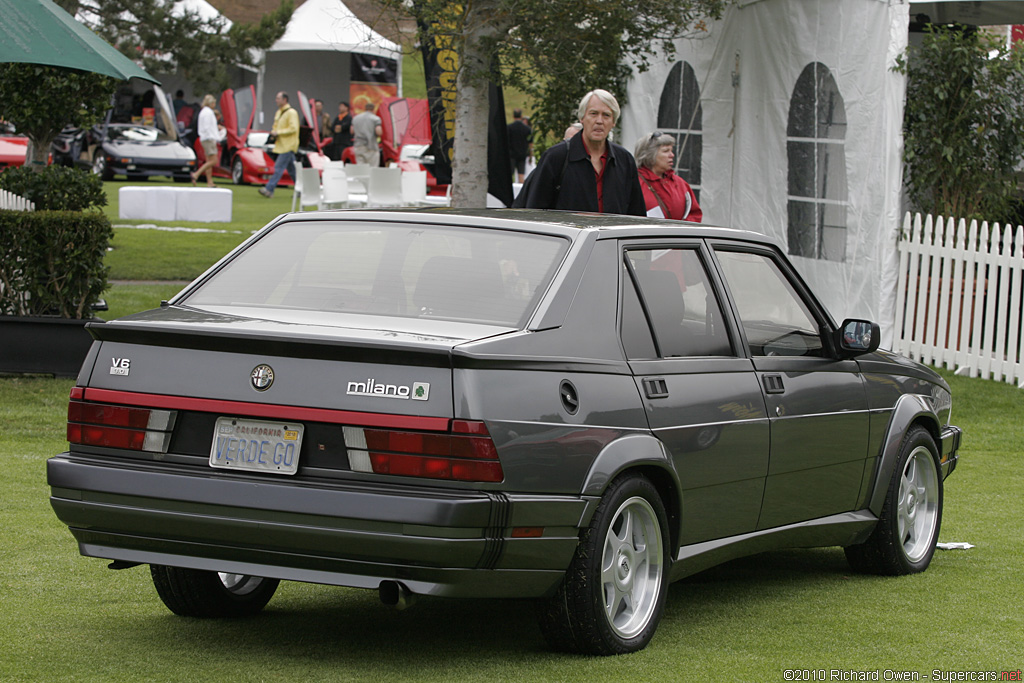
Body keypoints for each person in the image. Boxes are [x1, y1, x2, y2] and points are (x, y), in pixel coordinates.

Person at [514, 89, 645, 215]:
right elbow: (535, 212)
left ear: (613, 122)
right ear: (582, 118)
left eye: (606, 115)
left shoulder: (624, 160)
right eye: (593, 114)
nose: (599, 121)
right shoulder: (556, 157)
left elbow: (636, 216)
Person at [634, 132, 702, 222]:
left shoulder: (680, 183)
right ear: (650, 155)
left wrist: (681, 232)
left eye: (671, 150)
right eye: (666, 151)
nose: (672, 155)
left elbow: (694, 215)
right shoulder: (633, 183)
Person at [259, 91, 300, 198]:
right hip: (282, 145)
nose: (276, 100)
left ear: (285, 100)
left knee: (279, 167)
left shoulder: (291, 112)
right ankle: (302, 190)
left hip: (288, 145)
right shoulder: (279, 112)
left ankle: (269, 189)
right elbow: (276, 126)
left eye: (278, 98)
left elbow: (294, 128)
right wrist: (273, 134)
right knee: (292, 171)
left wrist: (278, 132)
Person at [191, 94, 226, 187]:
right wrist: (214, 135)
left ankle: (209, 182)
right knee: (214, 161)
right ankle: (196, 174)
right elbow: (207, 127)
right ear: (211, 103)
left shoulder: (203, 112)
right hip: (209, 138)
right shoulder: (208, 112)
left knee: (208, 161)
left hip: (205, 138)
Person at [351, 101, 382, 167]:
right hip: (371, 146)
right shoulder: (375, 119)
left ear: (365, 109)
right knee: (372, 167)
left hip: (358, 145)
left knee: (361, 168)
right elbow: (378, 131)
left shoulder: (356, 118)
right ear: (373, 109)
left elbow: (352, 131)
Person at [507, 108, 532, 183]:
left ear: (513, 116)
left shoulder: (509, 127)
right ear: (521, 116)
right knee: (521, 175)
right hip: (522, 154)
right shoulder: (527, 129)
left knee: (510, 174)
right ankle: (521, 191)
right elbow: (530, 143)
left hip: (511, 155)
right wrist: (531, 155)